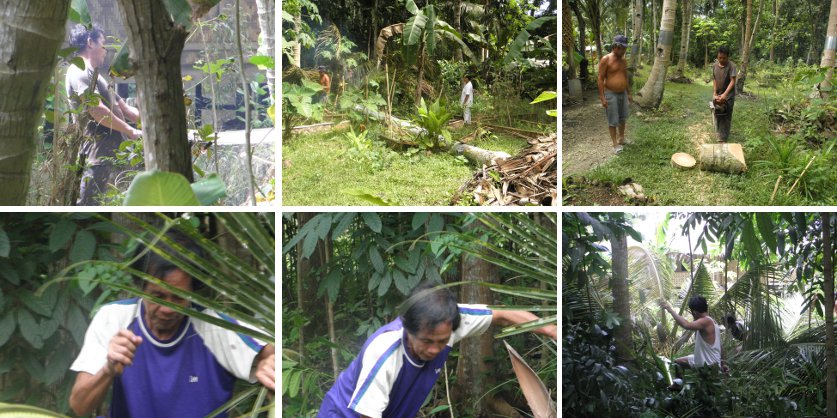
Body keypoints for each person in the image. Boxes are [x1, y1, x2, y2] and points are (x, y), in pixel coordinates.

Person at [68, 232, 275, 417]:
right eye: (158, 296)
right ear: (141, 288)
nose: (167, 308)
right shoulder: (113, 318)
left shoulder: (216, 326)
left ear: (193, 291)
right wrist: (108, 368)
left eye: (178, 297)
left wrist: (268, 362)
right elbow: (80, 406)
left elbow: (272, 353)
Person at [317, 282, 557, 418]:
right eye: (426, 341)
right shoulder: (385, 352)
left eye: (442, 342)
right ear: (407, 328)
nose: (434, 350)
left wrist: (551, 331)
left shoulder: (452, 318)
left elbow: (503, 316)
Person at [66, 24, 142, 206]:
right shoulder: (79, 72)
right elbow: (97, 111)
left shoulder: (97, 77)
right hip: (96, 157)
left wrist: (157, 122)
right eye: (103, 43)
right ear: (90, 43)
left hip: (115, 154)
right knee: (88, 208)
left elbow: (127, 110)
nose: (105, 50)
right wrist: (130, 131)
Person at [660, 295, 721, 389]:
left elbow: (686, 325)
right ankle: (677, 386)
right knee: (678, 362)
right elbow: (721, 346)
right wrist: (724, 363)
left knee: (705, 392)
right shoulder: (712, 321)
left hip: (709, 365)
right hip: (702, 360)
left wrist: (670, 309)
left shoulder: (705, 321)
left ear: (695, 312)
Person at [597, 35, 633, 154]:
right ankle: (615, 144)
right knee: (613, 120)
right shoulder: (606, 59)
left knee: (623, 118)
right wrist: (602, 97)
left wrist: (629, 93)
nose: (624, 51)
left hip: (622, 93)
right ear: (617, 47)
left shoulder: (623, 61)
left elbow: (625, 77)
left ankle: (621, 138)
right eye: (623, 49)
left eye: (625, 49)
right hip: (610, 94)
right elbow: (600, 78)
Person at [712, 46, 737, 142]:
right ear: (717, 57)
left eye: (724, 58)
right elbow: (714, 79)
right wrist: (714, 93)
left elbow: (732, 81)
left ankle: (723, 138)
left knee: (726, 115)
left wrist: (725, 94)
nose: (721, 60)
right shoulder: (714, 66)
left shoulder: (732, 66)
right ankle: (719, 133)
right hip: (717, 94)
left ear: (728, 57)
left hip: (728, 96)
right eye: (720, 58)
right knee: (718, 113)